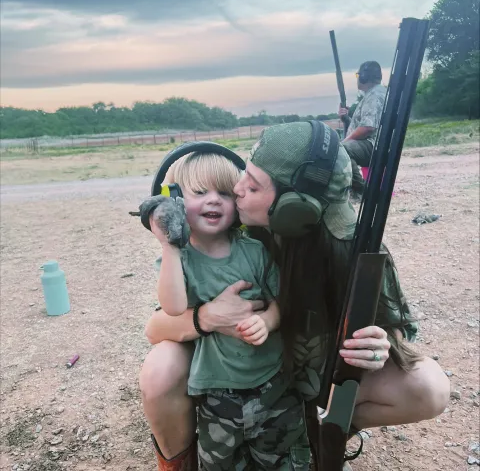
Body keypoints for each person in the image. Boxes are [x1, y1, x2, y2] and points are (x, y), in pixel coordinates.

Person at [139, 122, 450, 471]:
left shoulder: (356, 249)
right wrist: (208, 316)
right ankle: (180, 460)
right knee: (160, 369)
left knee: (430, 387)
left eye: (252, 185)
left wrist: (379, 344)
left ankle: (322, 434)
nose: (236, 189)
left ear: (293, 207)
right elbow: (157, 327)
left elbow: (399, 328)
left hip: (299, 371)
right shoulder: (231, 231)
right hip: (222, 367)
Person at [148, 151, 309, 470]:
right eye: (199, 192)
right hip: (217, 395)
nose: (214, 201)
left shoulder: (254, 251)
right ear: (174, 201)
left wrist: (268, 320)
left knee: (284, 460)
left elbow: (283, 300)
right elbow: (174, 306)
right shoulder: (179, 260)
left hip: (274, 387)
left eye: (224, 192)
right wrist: (169, 244)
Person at [339, 61, 387, 194]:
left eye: (358, 75)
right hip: (374, 143)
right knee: (342, 148)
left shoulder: (374, 95)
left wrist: (344, 142)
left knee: (342, 150)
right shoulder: (375, 93)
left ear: (364, 77)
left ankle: (361, 191)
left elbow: (368, 127)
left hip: (373, 145)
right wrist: (346, 119)